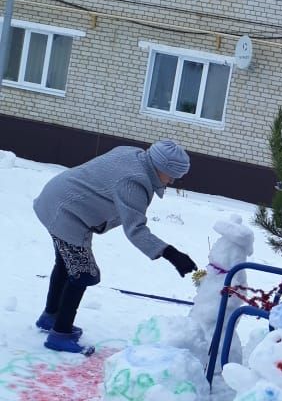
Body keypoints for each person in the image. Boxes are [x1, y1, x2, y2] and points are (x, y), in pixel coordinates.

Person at [33, 139, 198, 354]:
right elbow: (135, 230)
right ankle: (60, 334)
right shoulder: (134, 183)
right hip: (67, 213)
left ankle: (50, 317)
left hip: (57, 198)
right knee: (83, 273)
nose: (173, 181)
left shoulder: (132, 154)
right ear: (161, 168)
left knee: (66, 264)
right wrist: (171, 254)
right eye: (172, 175)